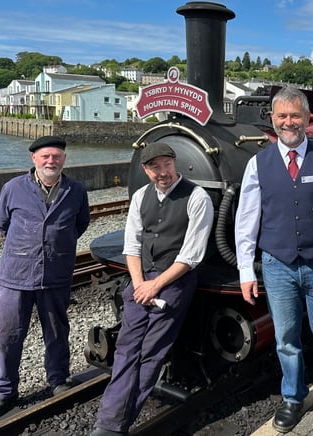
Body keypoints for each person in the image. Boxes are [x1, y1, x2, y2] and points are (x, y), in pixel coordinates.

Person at [235, 87, 313, 433]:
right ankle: (293, 398)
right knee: (286, 339)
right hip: (277, 264)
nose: (288, 122)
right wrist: (244, 270)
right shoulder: (258, 163)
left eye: (295, 116)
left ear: (307, 119)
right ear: (273, 119)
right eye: (282, 116)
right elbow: (247, 219)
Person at [90, 142, 214, 436]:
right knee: (126, 348)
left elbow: (191, 255)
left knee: (151, 351)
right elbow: (132, 245)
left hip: (174, 281)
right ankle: (110, 422)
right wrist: (139, 283)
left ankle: (117, 422)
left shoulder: (198, 197)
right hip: (141, 279)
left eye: (166, 164)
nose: (162, 172)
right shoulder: (140, 197)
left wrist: (155, 285)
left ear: (175, 162)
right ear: (145, 170)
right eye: (154, 167)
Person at [0, 135, 90, 421]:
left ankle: (58, 379)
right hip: (16, 275)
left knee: (56, 331)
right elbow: (2, 224)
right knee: (6, 334)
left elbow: (81, 224)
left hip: (56, 274)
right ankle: (3, 392)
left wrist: (55, 247)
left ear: (64, 159)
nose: (50, 161)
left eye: (56, 156)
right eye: (45, 157)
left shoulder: (76, 190)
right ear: (34, 159)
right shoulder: (13, 188)